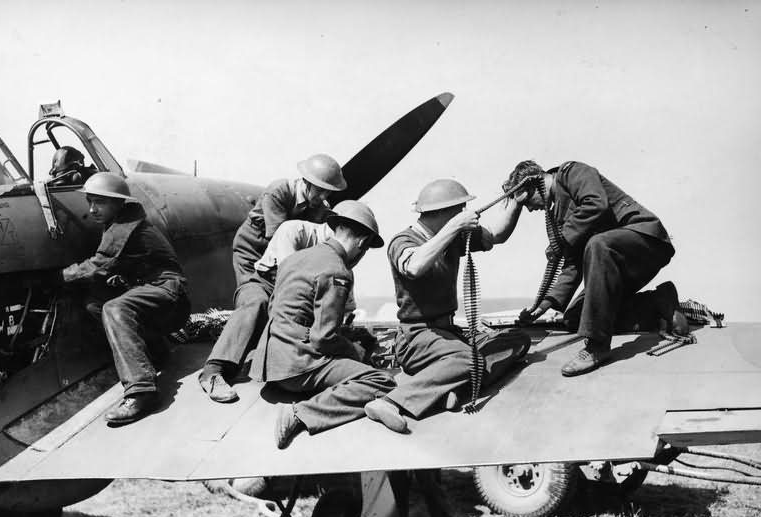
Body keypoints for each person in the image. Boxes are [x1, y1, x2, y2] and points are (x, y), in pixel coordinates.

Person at [363, 179, 532, 433]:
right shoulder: (403, 240)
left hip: (447, 333)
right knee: (472, 361)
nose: (464, 213)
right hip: (417, 338)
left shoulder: (452, 236)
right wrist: (453, 228)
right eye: (460, 209)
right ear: (444, 212)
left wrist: (516, 203)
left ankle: (450, 388)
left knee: (518, 341)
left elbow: (496, 235)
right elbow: (415, 266)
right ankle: (390, 402)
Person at [504, 160, 687, 377]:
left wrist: (561, 240)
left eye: (527, 203)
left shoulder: (571, 172)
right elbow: (572, 265)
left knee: (598, 244)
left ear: (534, 184)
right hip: (615, 264)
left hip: (646, 243)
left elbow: (596, 204)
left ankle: (597, 346)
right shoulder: (559, 214)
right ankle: (657, 303)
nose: (531, 209)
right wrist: (542, 306)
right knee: (575, 318)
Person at [199, 154, 347, 404]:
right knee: (255, 300)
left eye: (328, 193)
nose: (323, 197)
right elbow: (280, 239)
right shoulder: (278, 192)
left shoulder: (320, 209)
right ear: (306, 182)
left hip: (284, 263)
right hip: (253, 257)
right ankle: (214, 371)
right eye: (320, 191)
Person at [249, 200, 396, 449]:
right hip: (295, 364)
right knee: (381, 381)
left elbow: (280, 309)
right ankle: (301, 414)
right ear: (361, 243)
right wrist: (355, 352)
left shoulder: (297, 258)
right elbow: (323, 338)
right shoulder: (337, 270)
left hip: (269, 361)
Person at [62, 172, 190, 425]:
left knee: (114, 308)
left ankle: (142, 391)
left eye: (100, 202)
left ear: (118, 203)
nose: (92, 209)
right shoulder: (119, 220)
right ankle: (155, 351)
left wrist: (61, 276)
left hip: (169, 293)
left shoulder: (124, 226)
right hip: (153, 290)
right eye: (90, 201)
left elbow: (98, 264)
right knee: (95, 305)